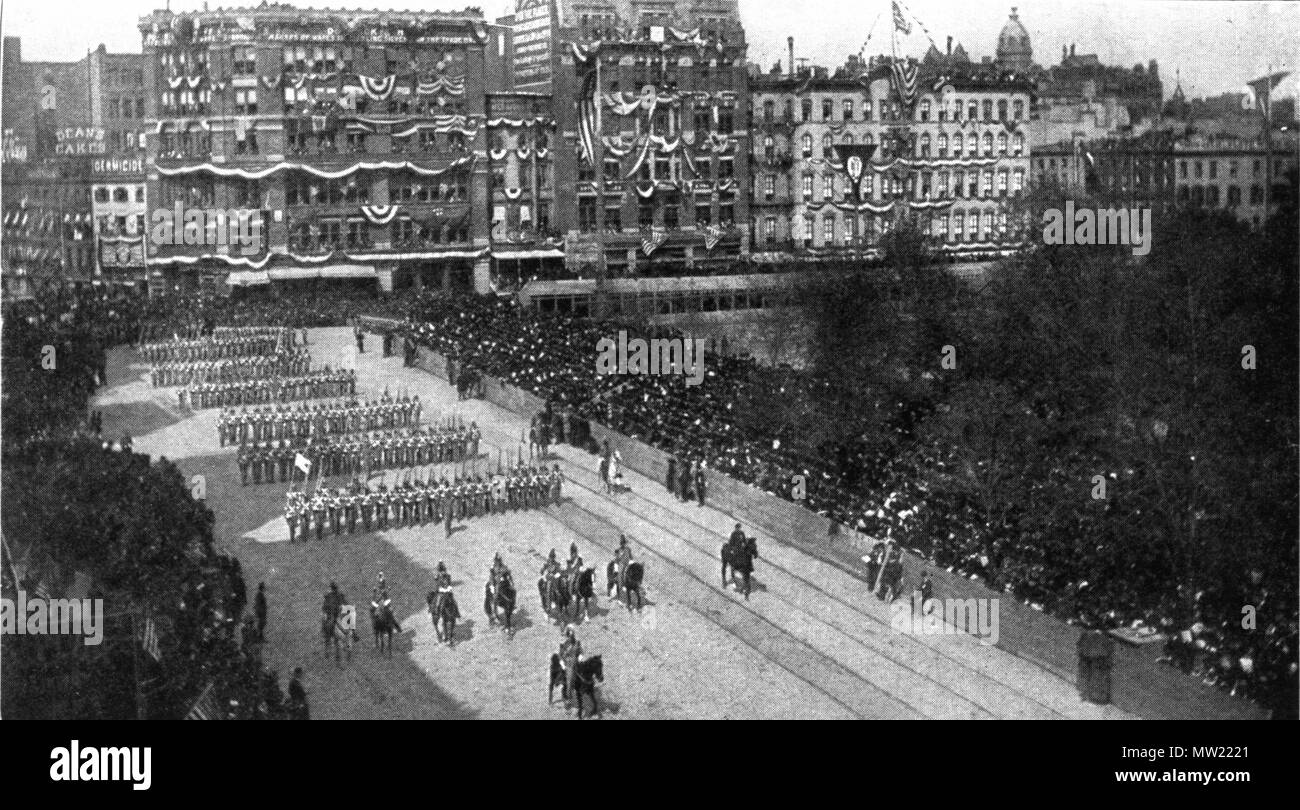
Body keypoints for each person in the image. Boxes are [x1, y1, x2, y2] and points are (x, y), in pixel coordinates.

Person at [558, 624, 583, 705]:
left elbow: (581, 651)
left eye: (572, 633)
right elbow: (560, 655)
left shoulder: (577, 642)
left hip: (576, 663)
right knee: (569, 680)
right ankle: (568, 698)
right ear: (567, 634)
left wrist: (580, 656)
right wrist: (562, 663)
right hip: (568, 664)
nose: (571, 635)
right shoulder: (563, 644)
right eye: (569, 633)